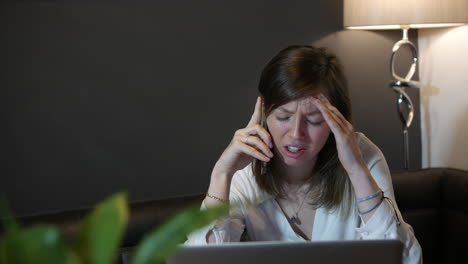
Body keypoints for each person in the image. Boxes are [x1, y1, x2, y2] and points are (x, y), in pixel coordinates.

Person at [185, 45, 422, 263]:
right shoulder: (245, 171)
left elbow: (407, 259)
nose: (296, 134)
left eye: (314, 120)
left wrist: (356, 169)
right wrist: (221, 174)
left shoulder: (363, 155)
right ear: (264, 114)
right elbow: (202, 261)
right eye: (283, 117)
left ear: (336, 121)